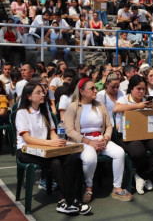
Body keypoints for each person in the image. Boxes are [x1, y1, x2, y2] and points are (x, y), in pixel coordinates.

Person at [15, 82, 91, 215]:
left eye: (42, 92)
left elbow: (52, 133)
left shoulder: (45, 111)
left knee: (72, 158)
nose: (42, 94)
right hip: (25, 150)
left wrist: (59, 142)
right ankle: (71, 200)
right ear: (28, 96)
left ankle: (65, 202)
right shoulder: (22, 113)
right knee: (55, 163)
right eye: (38, 92)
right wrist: (50, 143)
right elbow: (27, 139)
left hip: (46, 150)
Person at [64, 78, 132, 203]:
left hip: (100, 139)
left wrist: (105, 138)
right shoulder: (73, 107)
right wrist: (89, 142)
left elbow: (109, 126)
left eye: (95, 88)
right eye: (92, 88)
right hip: (82, 141)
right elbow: (69, 131)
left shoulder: (100, 105)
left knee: (119, 152)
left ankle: (117, 188)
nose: (96, 90)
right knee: (90, 157)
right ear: (82, 91)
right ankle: (88, 187)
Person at [113, 75, 153, 195]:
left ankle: (142, 176)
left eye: (144, 89)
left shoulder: (147, 99)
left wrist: (152, 105)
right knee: (138, 152)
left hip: (147, 135)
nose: (142, 91)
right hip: (129, 136)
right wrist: (137, 106)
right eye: (139, 89)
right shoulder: (125, 99)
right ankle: (144, 177)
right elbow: (116, 108)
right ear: (132, 89)